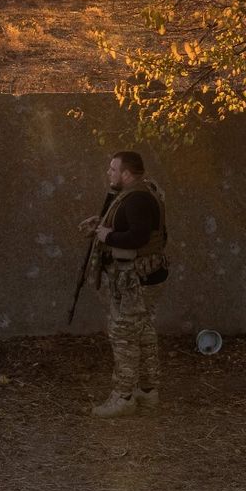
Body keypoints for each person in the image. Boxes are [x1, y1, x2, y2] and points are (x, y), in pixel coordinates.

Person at [77, 151, 168, 418]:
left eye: (113, 169)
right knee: (144, 332)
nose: (109, 173)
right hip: (147, 277)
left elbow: (138, 237)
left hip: (136, 281)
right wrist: (102, 224)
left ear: (127, 174)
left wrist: (108, 235)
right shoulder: (143, 191)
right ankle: (148, 392)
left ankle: (124, 398)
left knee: (124, 336)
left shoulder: (137, 198)